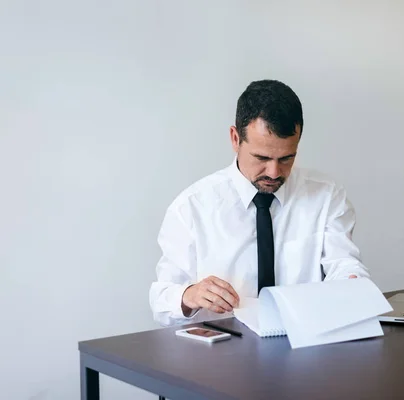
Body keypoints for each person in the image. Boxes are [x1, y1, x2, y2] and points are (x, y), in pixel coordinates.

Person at [149, 79, 369, 326]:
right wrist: (190, 295)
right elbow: (161, 302)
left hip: (304, 344)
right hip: (225, 354)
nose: (274, 172)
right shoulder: (191, 207)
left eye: (286, 158)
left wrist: (351, 281)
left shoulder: (326, 196)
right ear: (235, 138)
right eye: (262, 157)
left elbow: (343, 264)